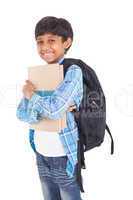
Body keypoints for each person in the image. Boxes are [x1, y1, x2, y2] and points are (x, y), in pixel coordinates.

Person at [16, 16, 83, 200]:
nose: (45, 47)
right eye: (40, 42)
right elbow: (21, 113)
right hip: (41, 152)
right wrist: (45, 106)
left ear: (67, 42)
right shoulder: (38, 73)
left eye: (51, 41)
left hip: (62, 154)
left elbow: (53, 110)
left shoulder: (73, 71)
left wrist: (32, 97)